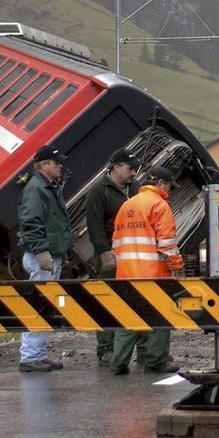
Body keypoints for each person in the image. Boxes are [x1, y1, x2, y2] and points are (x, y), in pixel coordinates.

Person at [110, 166, 183, 375]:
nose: (169, 190)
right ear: (160, 183)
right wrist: (177, 267)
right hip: (153, 273)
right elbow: (167, 243)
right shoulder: (159, 205)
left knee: (128, 318)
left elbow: (116, 243)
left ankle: (119, 362)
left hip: (126, 273)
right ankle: (156, 362)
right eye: (169, 185)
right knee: (160, 318)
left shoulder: (127, 205)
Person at [16, 144, 74, 372]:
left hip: (49, 254)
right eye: (56, 162)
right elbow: (30, 223)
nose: (60, 166)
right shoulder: (37, 189)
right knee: (40, 304)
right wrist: (41, 251)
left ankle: (37, 354)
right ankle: (30, 356)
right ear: (44, 164)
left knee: (45, 304)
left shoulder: (47, 187)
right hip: (42, 255)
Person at [83, 148, 138, 365]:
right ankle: (105, 349)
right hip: (110, 255)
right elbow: (94, 224)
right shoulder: (99, 191)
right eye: (129, 168)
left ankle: (135, 350)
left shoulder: (134, 188)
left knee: (132, 300)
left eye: (135, 168)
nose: (134, 172)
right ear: (116, 167)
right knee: (107, 301)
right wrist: (104, 252)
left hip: (132, 255)